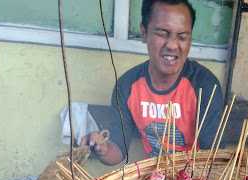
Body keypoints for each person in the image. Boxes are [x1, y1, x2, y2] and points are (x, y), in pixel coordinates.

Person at [85, 0, 223, 165]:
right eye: (162, 33)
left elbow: (213, 158)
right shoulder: (127, 87)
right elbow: (117, 151)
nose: (172, 45)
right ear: (144, 32)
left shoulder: (205, 86)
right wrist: (103, 148)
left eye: (182, 37)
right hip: (155, 179)